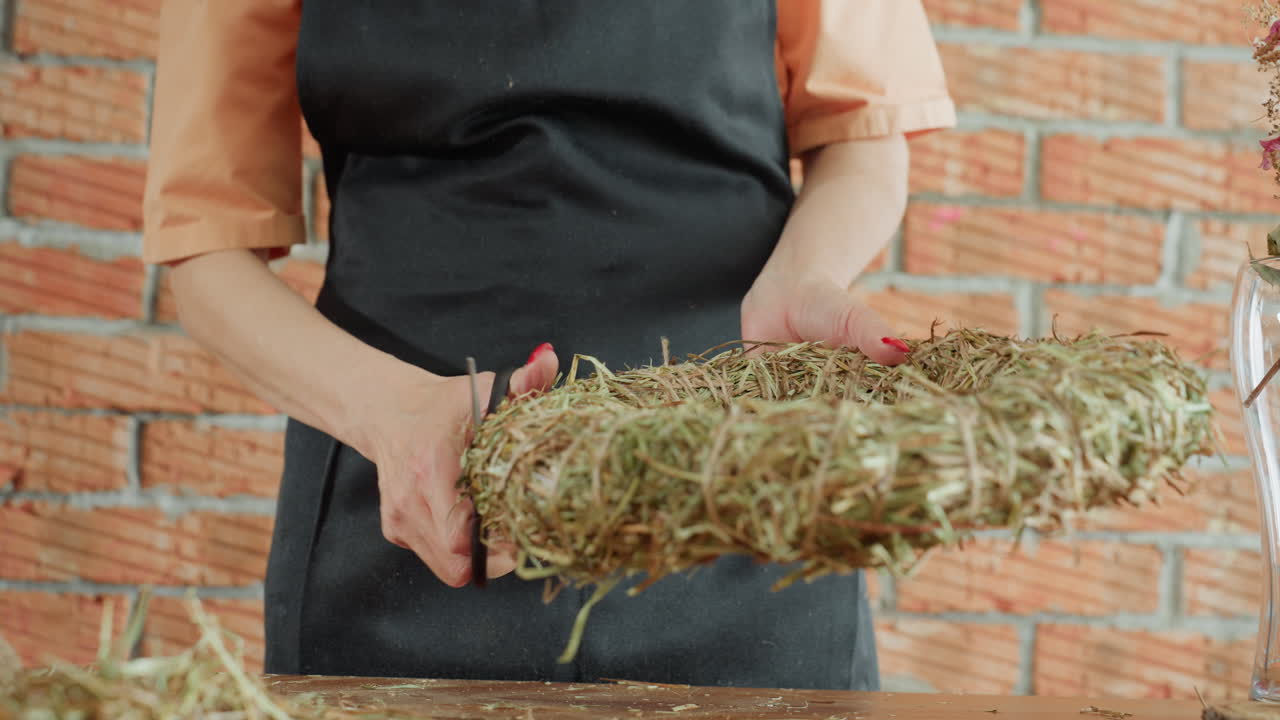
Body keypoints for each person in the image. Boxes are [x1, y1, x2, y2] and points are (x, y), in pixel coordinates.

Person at [142, 0, 954, 690]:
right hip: (413, 488)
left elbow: (861, 133)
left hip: (736, 476)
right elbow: (206, 250)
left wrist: (803, 278)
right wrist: (391, 418)